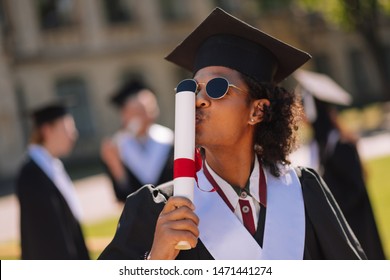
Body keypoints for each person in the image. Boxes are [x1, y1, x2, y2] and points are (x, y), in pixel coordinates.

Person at [98, 7, 366, 260]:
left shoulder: (302, 191)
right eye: (194, 88)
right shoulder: (159, 210)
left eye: (216, 87)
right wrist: (156, 261)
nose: (198, 99)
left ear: (257, 111)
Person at [293, 69, 386, 260]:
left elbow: (355, 190)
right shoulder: (321, 145)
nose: (300, 117)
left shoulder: (340, 145)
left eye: (301, 110)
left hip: (356, 226)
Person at [15, 100, 90, 260]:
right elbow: (43, 240)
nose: (74, 134)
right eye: (67, 129)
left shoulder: (52, 166)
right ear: (47, 130)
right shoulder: (32, 175)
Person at [100, 79, 174, 203]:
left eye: (149, 110)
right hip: (141, 219)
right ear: (124, 115)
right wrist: (116, 166)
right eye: (136, 112)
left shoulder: (169, 140)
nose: (145, 117)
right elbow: (122, 196)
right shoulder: (115, 148)